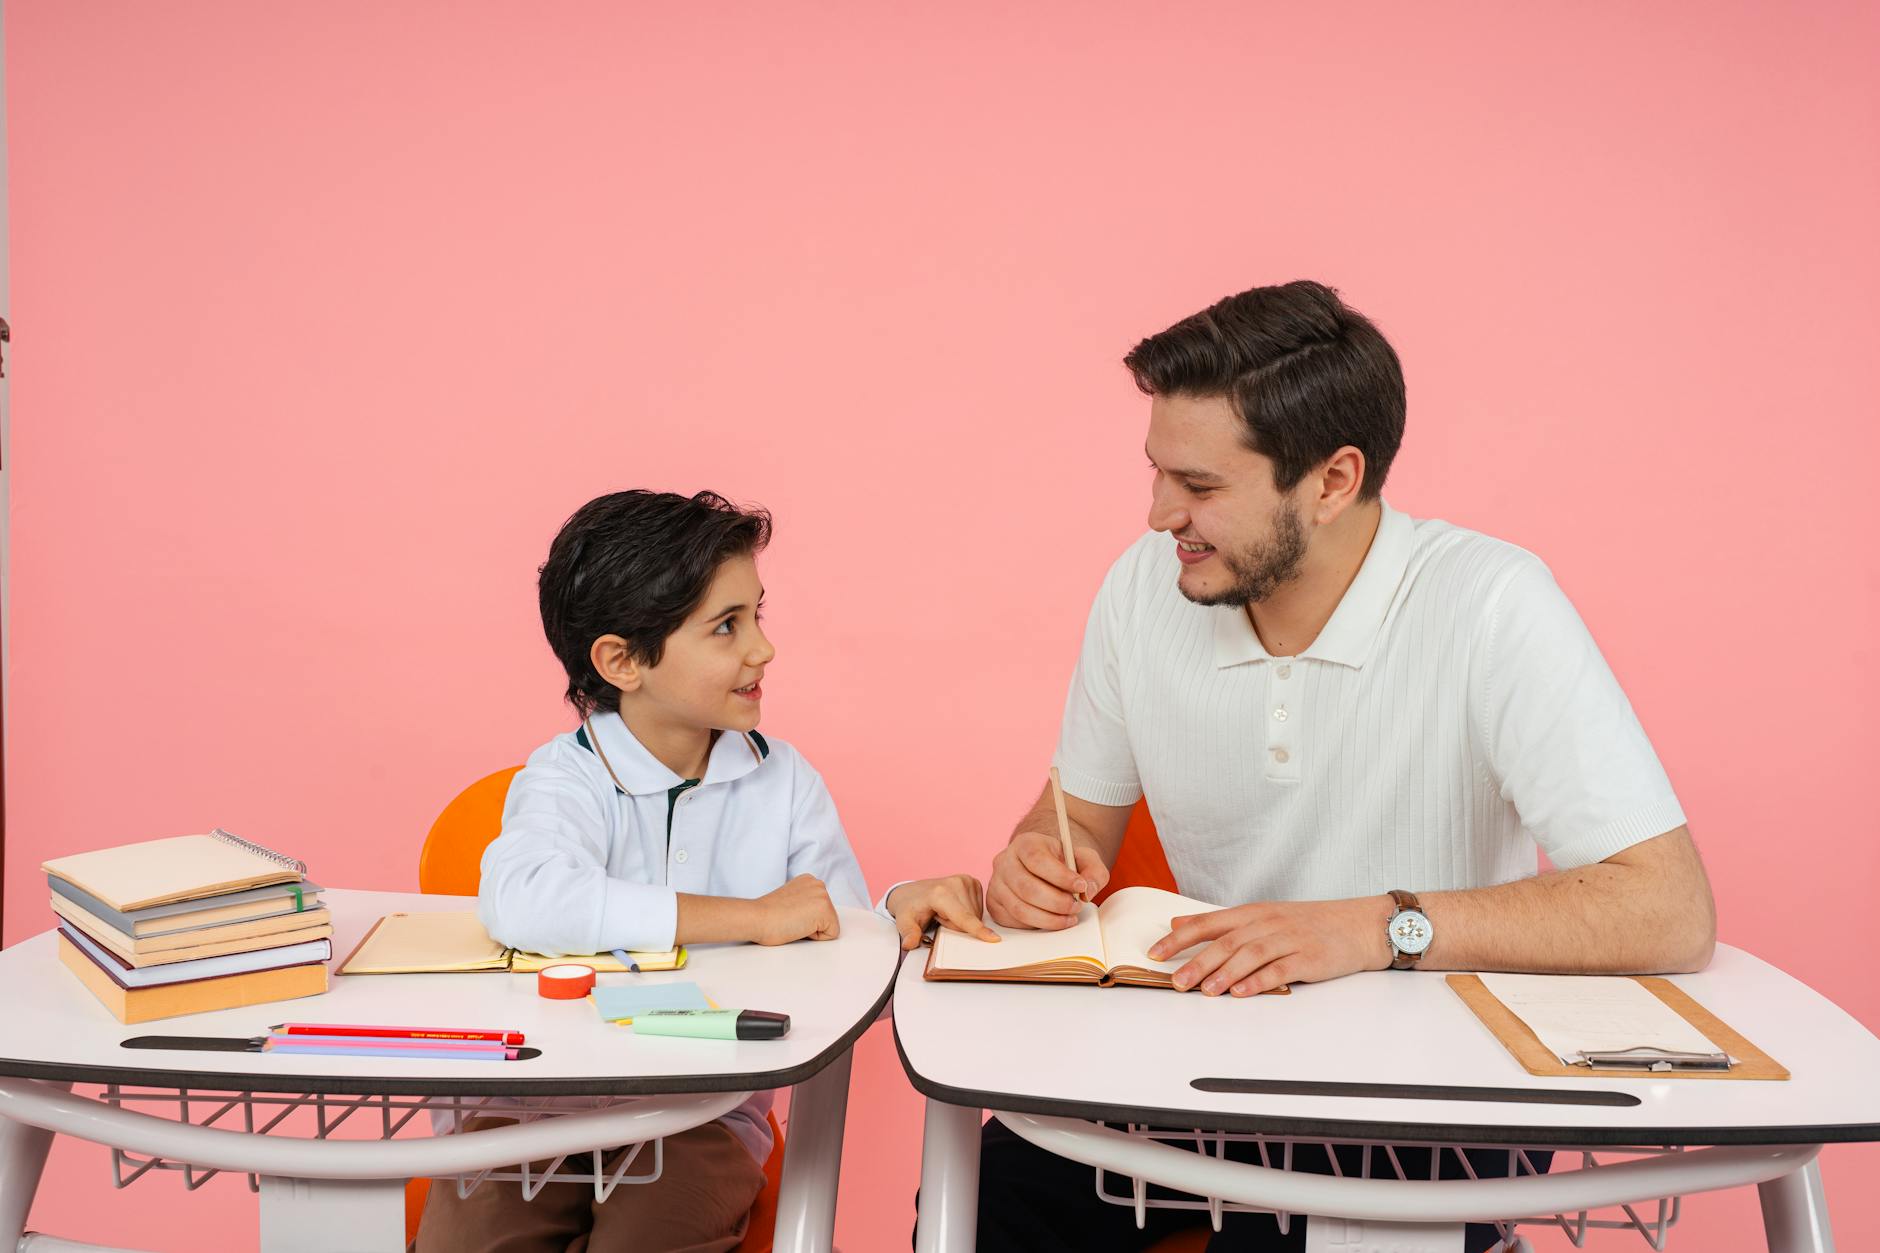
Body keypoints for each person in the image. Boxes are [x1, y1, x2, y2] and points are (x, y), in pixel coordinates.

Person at [974, 281, 1715, 1252]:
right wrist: (1029, 866)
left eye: (1199, 488)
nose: (1160, 515)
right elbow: (1067, 826)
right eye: (1156, 473)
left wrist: (1373, 927)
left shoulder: (1489, 602)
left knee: (1276, 1238)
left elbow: (1665, 906)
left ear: (1330, 481)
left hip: (1435, 1089)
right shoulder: (1138, 593)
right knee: (993, 1186)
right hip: (1199, 1065)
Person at [417, 489, 990, 1253]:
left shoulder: (782, 782)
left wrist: (892, 909)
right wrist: (751, 917)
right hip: (527, 1111)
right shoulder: (564, 779)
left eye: (758, 614)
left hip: (702, 1114)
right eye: (727, 626)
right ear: (622, 661)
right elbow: (524, 899)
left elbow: (840, 959)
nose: (763, 648)